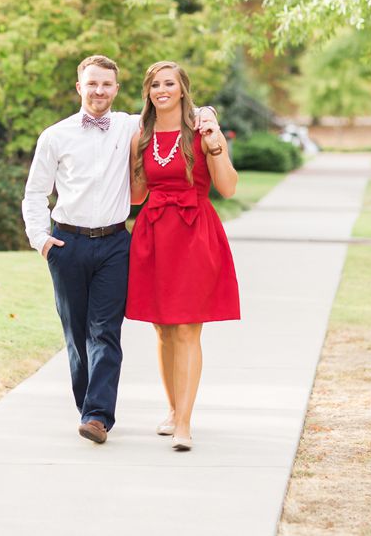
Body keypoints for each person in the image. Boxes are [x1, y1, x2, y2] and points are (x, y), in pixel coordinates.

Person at [22, 55, 218, 444]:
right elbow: (35, 192)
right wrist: (42, 240)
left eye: (107, 85)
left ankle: (98, 416)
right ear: (79, 87)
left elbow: (180, 108)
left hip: (114, 243)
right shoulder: (55, 136)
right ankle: (87, 406)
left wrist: (208, 113)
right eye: (92, 84)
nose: (100, 91)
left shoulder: (132, 125)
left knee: (105, 331)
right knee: (77, 335)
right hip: (67, 243)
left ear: (117, 89)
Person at [125, 60, 240, 452]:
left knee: (189, 328)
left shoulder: (202, 130)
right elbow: (137, 196)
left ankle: (185, 425)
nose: (161, 90)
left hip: (195, 234)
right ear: (148, 91)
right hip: (154, 234)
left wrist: (216, 141)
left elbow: (227, 187)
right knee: (162, 328)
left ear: (182, 88)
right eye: (155, 84)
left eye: (169, 83)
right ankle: (173, 410)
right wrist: (130, 158)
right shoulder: (141, 134)